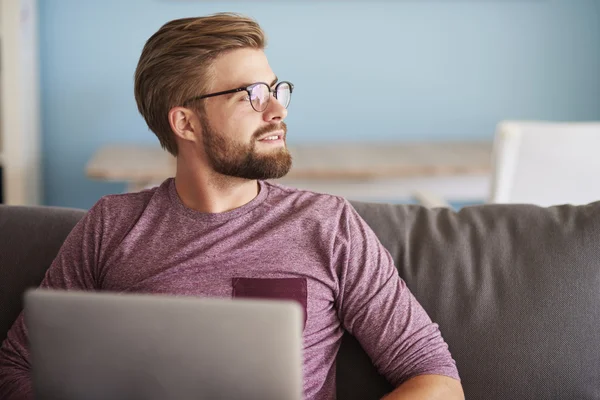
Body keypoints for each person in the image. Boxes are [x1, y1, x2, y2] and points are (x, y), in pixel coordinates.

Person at [0, 13, 464, 400]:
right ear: (185, 122)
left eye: (276, 90)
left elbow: (436, 379)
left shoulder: (328, 223)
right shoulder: (112, 225)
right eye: (252, 96)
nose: (277, 111)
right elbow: (17, 366)